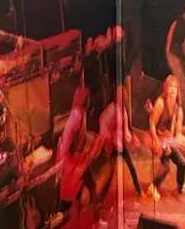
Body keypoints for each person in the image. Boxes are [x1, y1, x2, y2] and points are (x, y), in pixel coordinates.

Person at [56, 85, 101, 220]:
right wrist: (68, 164)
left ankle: (86, 215)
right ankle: (94, 218)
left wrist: (91, 139)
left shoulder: (79, 113)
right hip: (74, 162)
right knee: (88, 187)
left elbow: (79, 134)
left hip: (77, 160)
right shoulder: (77, 115)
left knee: (87, 187)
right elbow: (67, 139)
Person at [147, 74, 185, 199]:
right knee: (166, 167)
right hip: (158, 138)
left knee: (182, 163)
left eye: (174, 87)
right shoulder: (160, 103)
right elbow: (152, 122)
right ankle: (153, 186)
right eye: (170, 86)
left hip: (168, 141)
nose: (172, 89)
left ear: (178, 90)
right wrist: (155, 140)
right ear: (166, 88)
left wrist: (183, 140)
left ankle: (179, 187)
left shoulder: (178, 109)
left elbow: (178, 132)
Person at [97, 85, 142, 200]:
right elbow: (103, 121)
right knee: (112, 172)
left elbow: (125, 129)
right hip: (115, 145)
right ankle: (102, 196)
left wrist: (131, 139)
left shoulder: (123, 109)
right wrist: (108, 138)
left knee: (130, 168)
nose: (123, 97)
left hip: (121, 145)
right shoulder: (112, 108)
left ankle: (139, 191)